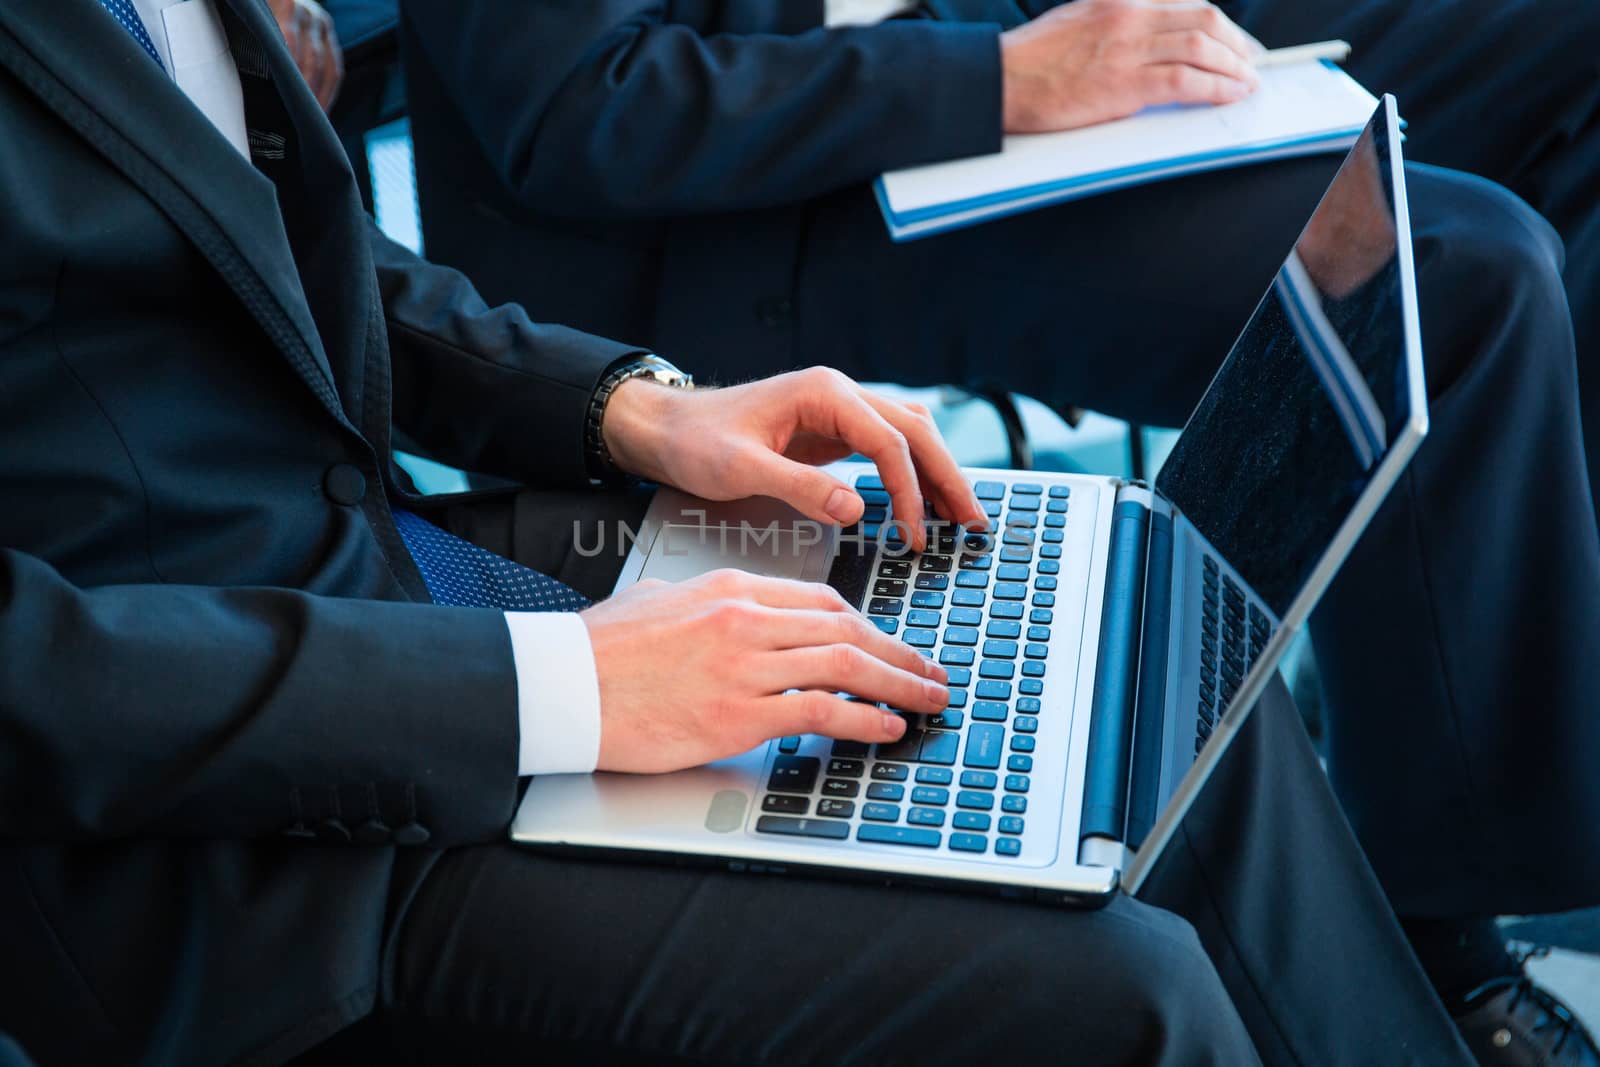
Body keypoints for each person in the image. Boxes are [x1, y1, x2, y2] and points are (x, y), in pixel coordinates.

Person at [0, 2, 1513, 1065]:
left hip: (399, 581)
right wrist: (579, 690)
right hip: (223, 856)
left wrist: (630, 409)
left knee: (1146, 662)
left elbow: (302, 265)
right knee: (1127, 992)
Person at [399, 2, 1600, 1060]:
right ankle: (1445, 920)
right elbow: (571, 108)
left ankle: (1500, 669)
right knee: (1457, 270)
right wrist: (1009, 76)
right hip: (761, 182)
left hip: (991, 24)